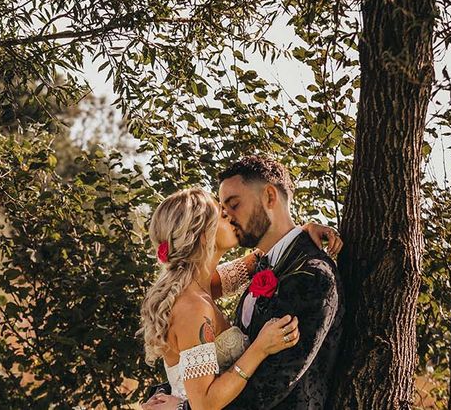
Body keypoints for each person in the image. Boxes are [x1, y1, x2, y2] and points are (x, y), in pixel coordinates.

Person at [144, 156, 343, 410]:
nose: (230, 217)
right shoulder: (193, 304)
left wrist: (303, 230)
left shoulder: (207, 284)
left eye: (233, 207)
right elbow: (204, 403)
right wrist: (258, 349)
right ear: (204, 236)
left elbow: (268, 251)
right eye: (223, 214)